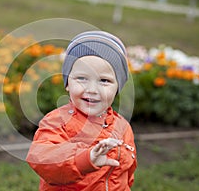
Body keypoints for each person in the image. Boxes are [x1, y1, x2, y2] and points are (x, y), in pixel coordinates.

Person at [26, 31, 137, 190]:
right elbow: (42, 158)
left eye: (104, 81)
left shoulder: (123, 127)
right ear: (67, 83)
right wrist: (85, 159)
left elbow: (126, 175)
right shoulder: (58, 122)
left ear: (117, 88)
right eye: (82, 78)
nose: (92, 89)